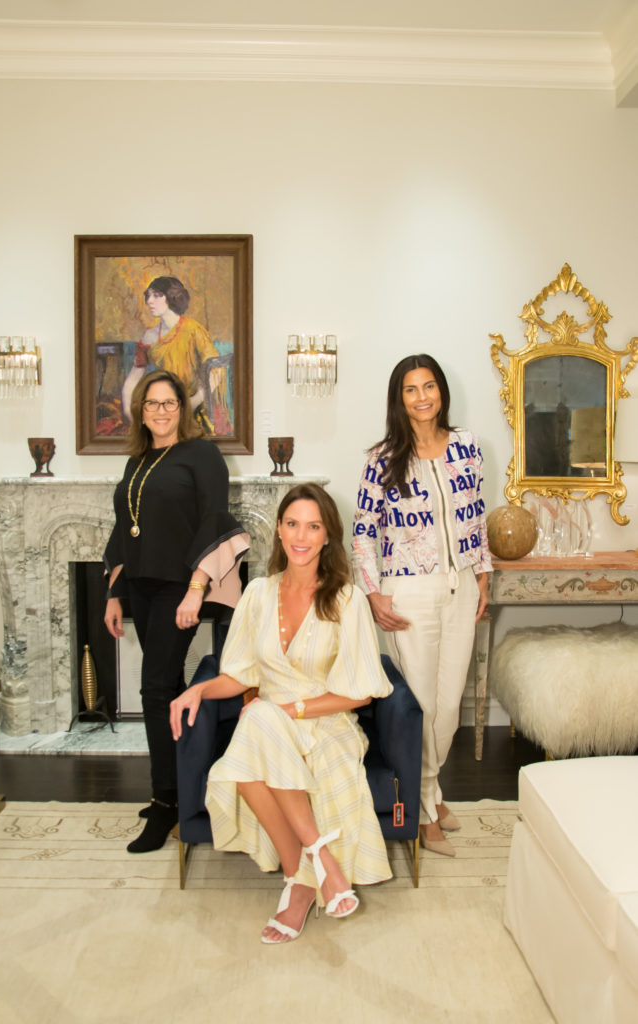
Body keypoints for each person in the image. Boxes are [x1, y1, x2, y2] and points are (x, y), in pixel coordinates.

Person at [170, 483, 393, 944]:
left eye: (313, 526)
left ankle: (302, 878)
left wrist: (296, 708)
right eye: (292, 523)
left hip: (326, 721)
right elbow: (238, 674)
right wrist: (197, 691)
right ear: (278, 529)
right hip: (271, 722)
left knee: (256, 726)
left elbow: (362, 693)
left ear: (328, 535)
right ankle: (315, 866)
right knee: (258, 721)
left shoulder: (347, 599)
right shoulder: (257, 594)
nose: (302, 535)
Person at [352, 354, 492, 858]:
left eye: (428, 386)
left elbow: (477, 515)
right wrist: (373, 593)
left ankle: (428, 790)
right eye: (411, 389)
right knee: (423, 706)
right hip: (409, 592)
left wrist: (484, 573)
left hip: (461, 588)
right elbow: (363, 533)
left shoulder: (468, 447)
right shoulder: (382, 458)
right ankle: (425, 809)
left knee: (451, 705)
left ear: (441, 392)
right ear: (400, 399)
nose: (422, 397)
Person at [104, 369, 248, 853]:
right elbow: (124, 529)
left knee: (154, 686)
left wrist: (195, 589)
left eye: (169, 403)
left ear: (182, 409)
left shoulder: (201, 454)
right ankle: (177, 786)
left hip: (180, 587)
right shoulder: (137, 461)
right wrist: (113, 594)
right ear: (139, 411)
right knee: (162, 687)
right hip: (141, 587)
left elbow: (214, 519)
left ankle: (168, 801)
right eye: (151, 404)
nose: (160, 411)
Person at [121, 276, 232, 436]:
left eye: (157, 295)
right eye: (148, 295)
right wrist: (128, 409)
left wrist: (192, 402)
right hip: (164, 409)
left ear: (173, 297)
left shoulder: (193, 330)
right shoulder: (149, 337)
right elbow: (134, 376)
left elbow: (215, 371)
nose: (149, 301)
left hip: (195, 407)